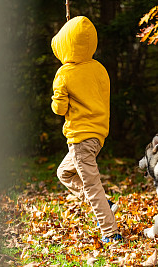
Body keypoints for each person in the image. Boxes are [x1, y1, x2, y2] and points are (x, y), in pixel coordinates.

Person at [50, 16, 121, 243]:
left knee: (92, 186)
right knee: (64, 173)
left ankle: (110, 232)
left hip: (80, 138)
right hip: (98, 135)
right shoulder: (99, 68)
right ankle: (103, 202)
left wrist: (58, 95)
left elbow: (59, 109)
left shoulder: (64, 74)